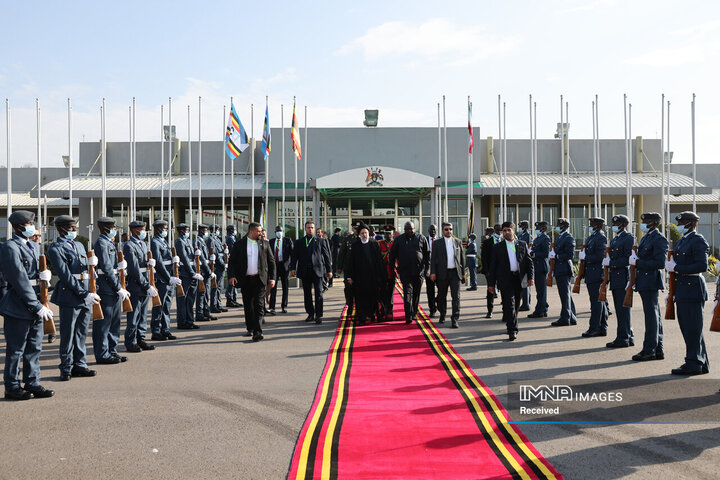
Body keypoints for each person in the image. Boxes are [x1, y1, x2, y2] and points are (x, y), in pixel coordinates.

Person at [1, 210, 55, 400]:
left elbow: (32, 276)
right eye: (29, 223)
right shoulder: (10, 247)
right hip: (18, 305)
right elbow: (19, 279)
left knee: (34, 347)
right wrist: (36, 305)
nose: (33, 226)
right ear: (18, 227)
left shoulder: (32, 245)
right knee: (16, 349)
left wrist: (44, 279)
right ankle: (12, 386)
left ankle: (32, 382)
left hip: (36, 303)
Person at [47, 215, 98, 381]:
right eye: (71, 227)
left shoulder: (79, 245)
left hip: (86, 293)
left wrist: (93, 270)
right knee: (68, 334)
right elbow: (66, 275)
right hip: (70, 295)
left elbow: (84, 270)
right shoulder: (55, 248)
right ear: (61, 229)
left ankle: (80, 365)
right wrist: (83, 293)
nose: (74, 230)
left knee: (81, 333)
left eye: (74, 227)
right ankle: (66, 367)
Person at [666, 211, 709, 375]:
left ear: (691, 223)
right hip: (683, 287)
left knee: (693, 328)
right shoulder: (683, 241)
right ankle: (701, 362)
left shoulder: (697, 240)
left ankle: (693, 363)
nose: (679, 225)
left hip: (693, 287)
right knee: (689, 328)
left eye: (682, 222)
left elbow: (702, 266)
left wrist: (677, 268)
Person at [228, 222, 276, 341]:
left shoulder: (264, 244)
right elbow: (232, 262)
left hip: (260, 279)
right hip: (245, 280)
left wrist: (272, 278)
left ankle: (258, 332)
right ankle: (250, 327)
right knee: (248, 306)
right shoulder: (239, 244)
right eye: (258, 231)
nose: (261, 233)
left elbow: (271, 262)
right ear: (251, 231)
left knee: (259, 305)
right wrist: (231, 276)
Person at [631, 212, 668, 362]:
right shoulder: (646, 237)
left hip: (651, 280)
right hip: (644, 280)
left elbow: (660, 263)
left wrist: (638, 263)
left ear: (655, 223)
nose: (643, 223)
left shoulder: (659, 239)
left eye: (646, 221)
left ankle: (649, 349)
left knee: (651, 316)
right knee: (654, 315)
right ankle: (657, 349)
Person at [487, 221, 534, 341]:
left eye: (509, 230)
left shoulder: (522, 244)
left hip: (518, 278)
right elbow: (492, 267)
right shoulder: (498, 247)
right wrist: (491, 284)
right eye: (504, 230)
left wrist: (530, 277)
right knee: (509, 304)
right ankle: (512, 330)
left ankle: (511, 323)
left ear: (513, 230)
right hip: (505, 279)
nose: (507, 232)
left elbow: (529, 262)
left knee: (516, 304)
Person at [93, 217, 128, 364]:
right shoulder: (101, 243)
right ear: (104, 228)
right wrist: (118, 287)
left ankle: (112, 351)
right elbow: (107, 268)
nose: (114, 229)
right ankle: (102, 354)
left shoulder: (109, 242)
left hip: (113, 287)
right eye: (112, 226)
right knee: (104, 324)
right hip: (107, 288)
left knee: (115, 322)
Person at [123, 220, 159, 353]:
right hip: (136, 284)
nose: (144, 232)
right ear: (134, 230)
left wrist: (150, 264)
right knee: (134, 316)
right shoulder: (129, 245)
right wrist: (146, 285)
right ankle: (131, 342)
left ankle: (140, 339)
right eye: (141, 229)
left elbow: (143, 266)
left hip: (145, 283)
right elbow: (134, 269)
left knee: (143, 315)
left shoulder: (143, 244)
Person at [290, 221, 332, 324]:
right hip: (305, 270)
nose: (310, 229)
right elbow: (294, 256)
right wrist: (292, 268)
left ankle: (318, 315)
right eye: (308, 227)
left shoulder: (321, 241)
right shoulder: (299, 242)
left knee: (319, 293)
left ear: (315, 229)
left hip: (317, 270)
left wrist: (329, 270)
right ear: (305, 229)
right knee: (307, 294)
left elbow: (326, 256)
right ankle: (310, 313)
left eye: (312, 227)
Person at [389, 221, 430, 324]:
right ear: (404, 229)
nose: (410, 231)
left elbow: (427, 255)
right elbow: (392, 255)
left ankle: (414, 313)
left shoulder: (421, 238)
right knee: (407, 294)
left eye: (411, 229)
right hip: (405, 272)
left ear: (414, 228)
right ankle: (408, 315)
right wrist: (393, 268)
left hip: (418, 272)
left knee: (416, 294)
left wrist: (427, 269)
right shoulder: (399, 240)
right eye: (407, 229)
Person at [346, 224, 386, 325]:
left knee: (373, 296)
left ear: (369, 233)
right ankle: (362, 317)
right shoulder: (355, 245)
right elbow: (351, 262)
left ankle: (373, 315)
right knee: (361, 297)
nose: (364, 235)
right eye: (362, 233)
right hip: (360, 277)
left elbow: (379, 261)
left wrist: (381, 275)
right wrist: (350, 276)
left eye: (366, 233)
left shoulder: (374, 244)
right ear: (359, 234)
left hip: (372, 276)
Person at [605, 215, 635, 348]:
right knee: (620, 308)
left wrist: (611, 262)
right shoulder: (616, 238)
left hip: (622, 276)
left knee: (623, 309)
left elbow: (628, 258)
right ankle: (628, 335)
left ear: (623, 224)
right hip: (616, 277)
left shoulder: (628, 238)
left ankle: (623, 337)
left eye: (616, 223)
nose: (614, 225)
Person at [430, 222, 466, 328]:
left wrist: (463, 273)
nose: (448, 231)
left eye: (450, 229)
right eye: (446, 229)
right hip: (442, 273)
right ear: (442, 230)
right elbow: (433, 260)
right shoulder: (437, 243)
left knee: (456, 297)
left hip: (455, 273)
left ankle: (455, 318)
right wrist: (433, 272)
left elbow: (462, 259)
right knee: (441, 296)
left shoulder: (458, 242)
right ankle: (442, 314)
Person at [150, 220, 179, 341]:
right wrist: (168, 277)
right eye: (164, 229)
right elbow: (159, 263)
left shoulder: (164, 242)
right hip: (162, 279)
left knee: (166, 307)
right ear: (158, 229)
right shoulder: (155, 242)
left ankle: (165, 330)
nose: (166, 231)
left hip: (169, 278)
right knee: (159, 307)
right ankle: (156, 331)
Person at [581, 217, 609, 337]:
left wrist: (585, 257)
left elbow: (600, 256)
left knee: (596, 302)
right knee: (598, 301)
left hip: (597, 273)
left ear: (599, 226)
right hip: (591, 273)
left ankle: (595, 327)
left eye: (592, 224)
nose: (590, 226)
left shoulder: (601, 237)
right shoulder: (591, 237)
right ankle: (602, 327)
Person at [550, 218, 578, 327]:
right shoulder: (560, 237)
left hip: (564, 268)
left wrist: (557, 256)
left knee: (565, 294)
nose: (557, 227)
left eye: (559, 225)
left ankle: (565, 318)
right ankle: (572, 316)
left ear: (565, 226)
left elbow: (570, 255)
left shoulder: (568, 237)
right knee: (566, 295)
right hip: (559, 268)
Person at [175, 223, 203, 330]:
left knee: (190, 299)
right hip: (185, 274)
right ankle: (182, 322)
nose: (188, 232)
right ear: (181, 231)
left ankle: (190, 320)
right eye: (186, 230)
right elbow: (185, 259)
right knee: (183, 299)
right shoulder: (179, 242)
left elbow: (191, 258)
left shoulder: (188, 241)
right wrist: (192, 273)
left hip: (191, 272)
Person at [268, 225, 293, 314]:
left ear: (283, 232)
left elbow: (292, 253)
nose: (279, 232)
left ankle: (284, 306)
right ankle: (272, 307)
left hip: (284, 266)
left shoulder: (287, 240)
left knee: (285, 287)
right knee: (273, 287)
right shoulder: (271, 241)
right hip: (275, 266)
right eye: (278, 231)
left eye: (281, 231)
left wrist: (292, 266)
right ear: (275, 232)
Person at [528, 221, 550, 318]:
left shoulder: (545, 238)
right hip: (536, 266)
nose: (536, 230)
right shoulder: (538, 239)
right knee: (539, 290)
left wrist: (534, 254)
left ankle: (540, 310)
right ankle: (543, 307)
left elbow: (546, 253)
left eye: (539, 228)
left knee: (541, 290)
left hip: (541, 266)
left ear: (544, 229)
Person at [194, 224, 216, 322]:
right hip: (203, 270)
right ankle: (199, 313)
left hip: (206, 269)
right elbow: (201, 258)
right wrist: (208, 271)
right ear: (199, 231)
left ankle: (206, 312)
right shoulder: (197, 241)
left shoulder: (202, 241)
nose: (206, 232)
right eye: (204, 230)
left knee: (206, 293)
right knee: (201, 293)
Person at [336, 224, 358, 317]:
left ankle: (359, 307)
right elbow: (341, 253)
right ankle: (349, 305)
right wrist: (339, 267)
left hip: (360, 269)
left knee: (359, 289)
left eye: (357, 228)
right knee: (348, 289)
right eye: (354, 228)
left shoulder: (364, 238)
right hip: (348, 268)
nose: (356, 230)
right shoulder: (348, 239)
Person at [480, 224, 502, 318]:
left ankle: (506, 310)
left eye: (500, 230)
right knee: (490, 290)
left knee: (505, 290)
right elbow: (483, 257)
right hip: (491, 270)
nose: (499, 232)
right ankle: (490, 311)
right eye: (497, 230)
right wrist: (486, 270)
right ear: (494, 231)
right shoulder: (487, 242)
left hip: (502, 270)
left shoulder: (506, 241)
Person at [207, 224, 228, 314]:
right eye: (217, 230)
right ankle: (213, 305)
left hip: (221, 265)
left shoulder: (217, 239)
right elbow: (215, 253)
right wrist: (223, 264)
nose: (218, 231)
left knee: (219, 287)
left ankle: (219, 304)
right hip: (217, 266)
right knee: (215, 287)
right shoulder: (211, 240)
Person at [378, 225, 395, 320]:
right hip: (382, 272)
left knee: (390, 294)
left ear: (392, 234)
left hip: (392, 272)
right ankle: (383, 311)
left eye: (389, 234)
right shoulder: (379, 244)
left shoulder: (395, 244)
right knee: (382, 293)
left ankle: (390, 312)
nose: (388, 236)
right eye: (386, 234)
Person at [517, 220, 532, 310]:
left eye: (521, 226)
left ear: (525, 227)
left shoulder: (528, 236)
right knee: (522, 284)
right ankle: (524, 302)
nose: (519, 228)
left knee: (525, 284)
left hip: (525, 262)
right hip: (520, 262)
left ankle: (526, 304)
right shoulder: (520, 236)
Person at [225, 225, 241, 308]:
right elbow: (232, 250)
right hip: (233, 261)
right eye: (234, 229)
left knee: (234, 281)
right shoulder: (230, 238)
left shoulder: (232, 238)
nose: (235, 231)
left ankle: (233, 299)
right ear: (231, 230)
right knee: (231, 281)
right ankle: (229, 299)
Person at [425, 224, 439, 317]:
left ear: (437, 230)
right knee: (430, 291)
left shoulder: (441, 240)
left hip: (439, 269)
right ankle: (432, 309)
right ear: (428, 231)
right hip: (428, 269)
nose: (433, 231)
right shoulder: (424, 240)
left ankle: (437, 300)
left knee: (442, 290)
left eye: (434, 230)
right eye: (431, 230)